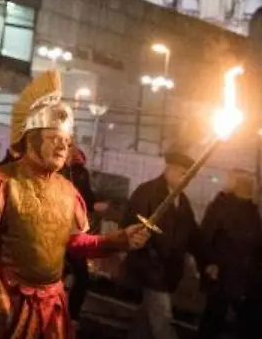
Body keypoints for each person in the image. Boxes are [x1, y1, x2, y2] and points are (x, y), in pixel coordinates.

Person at [0, 71, 150, 339]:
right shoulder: (2, 179)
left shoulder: (69, 192)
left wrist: (119, 240)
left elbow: (76, 244)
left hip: (50, 306)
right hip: (6, 296)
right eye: (54, 138)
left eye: (66, 141)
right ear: (33, 138)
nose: (62, 146)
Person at [121, 149, 202, 339]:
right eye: (183, 174)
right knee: (162, 320)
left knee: (146, 320)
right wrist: (148, 253)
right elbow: (129, 225)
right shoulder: (147, 192)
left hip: (167, 270)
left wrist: (206, 260)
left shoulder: (181, 200)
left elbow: (192, 233)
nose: (187, 180)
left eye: (189, 176)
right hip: (150, 269)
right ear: (169, 170)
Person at [198, 169, 262, 337]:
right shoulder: (222, 206)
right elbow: (205, 236)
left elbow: (255, 244)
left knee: (246, 321)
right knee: (214, 318)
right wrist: (210, 263)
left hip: (245, 277)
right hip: (223, 275)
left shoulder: (252, 210)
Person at [62, 144, 105, 321]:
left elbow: (85, 196)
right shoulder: (55, 171)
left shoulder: (80, 173)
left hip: (73, 232)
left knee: (81, 276)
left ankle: (71, 316)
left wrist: (95, 205)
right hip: (55, 232)